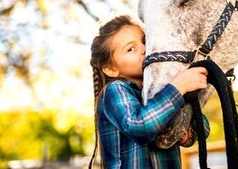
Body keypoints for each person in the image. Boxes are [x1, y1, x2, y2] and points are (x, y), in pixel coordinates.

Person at [89, 15, 209, 168]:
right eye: (131, 49)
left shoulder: (163, 91)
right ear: (111, 69)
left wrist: (186, 132)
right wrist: (180, 85)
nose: (144, 49)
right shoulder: (114, 90)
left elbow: (204, 128)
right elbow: (139, 126)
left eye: (144, 41)